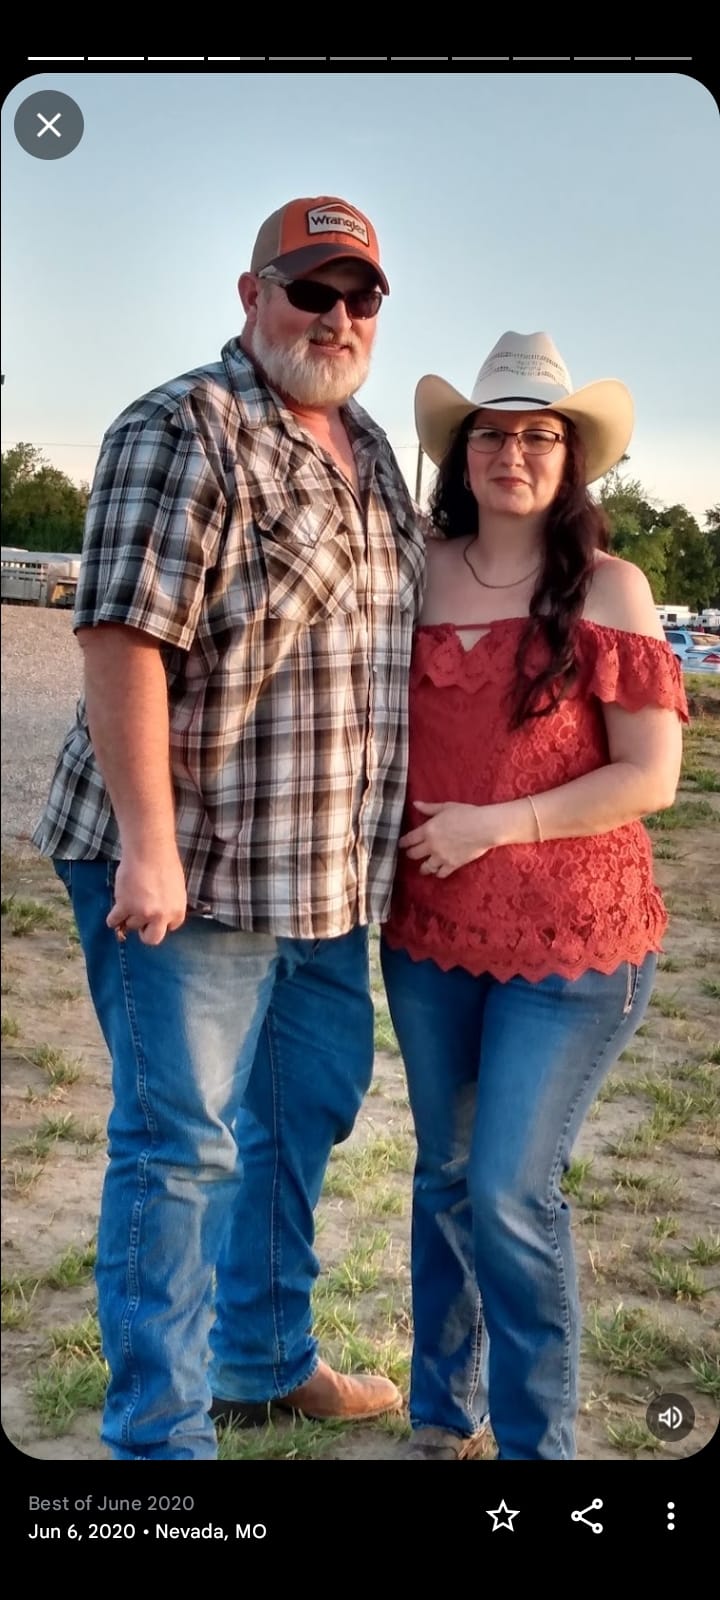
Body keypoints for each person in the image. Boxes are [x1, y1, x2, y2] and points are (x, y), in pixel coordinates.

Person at [33, 194, 426, 1461]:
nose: (338, 318)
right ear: (252, 295)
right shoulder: (181, 425)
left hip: (322, 876)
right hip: (189, 866)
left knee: (304, 1108)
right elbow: (122, 639)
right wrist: (149, 845)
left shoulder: (374, 451)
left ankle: (262, 1360)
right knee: (182, 1148)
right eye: (311, 290)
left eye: (360, 297)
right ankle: (161, 1441)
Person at [380, 330, 688, 1461]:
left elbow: (650, 777)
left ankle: (535, 1446)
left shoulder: (610, 586)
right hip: (429, 935)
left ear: (572, 457)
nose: (513, 453)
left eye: (540, 435)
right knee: (447, 1177)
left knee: (511, 1188)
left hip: (574, 943)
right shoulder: (416, 572)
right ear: (461, 454)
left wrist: (494, 823)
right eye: (492, 434)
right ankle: (439, 1413)